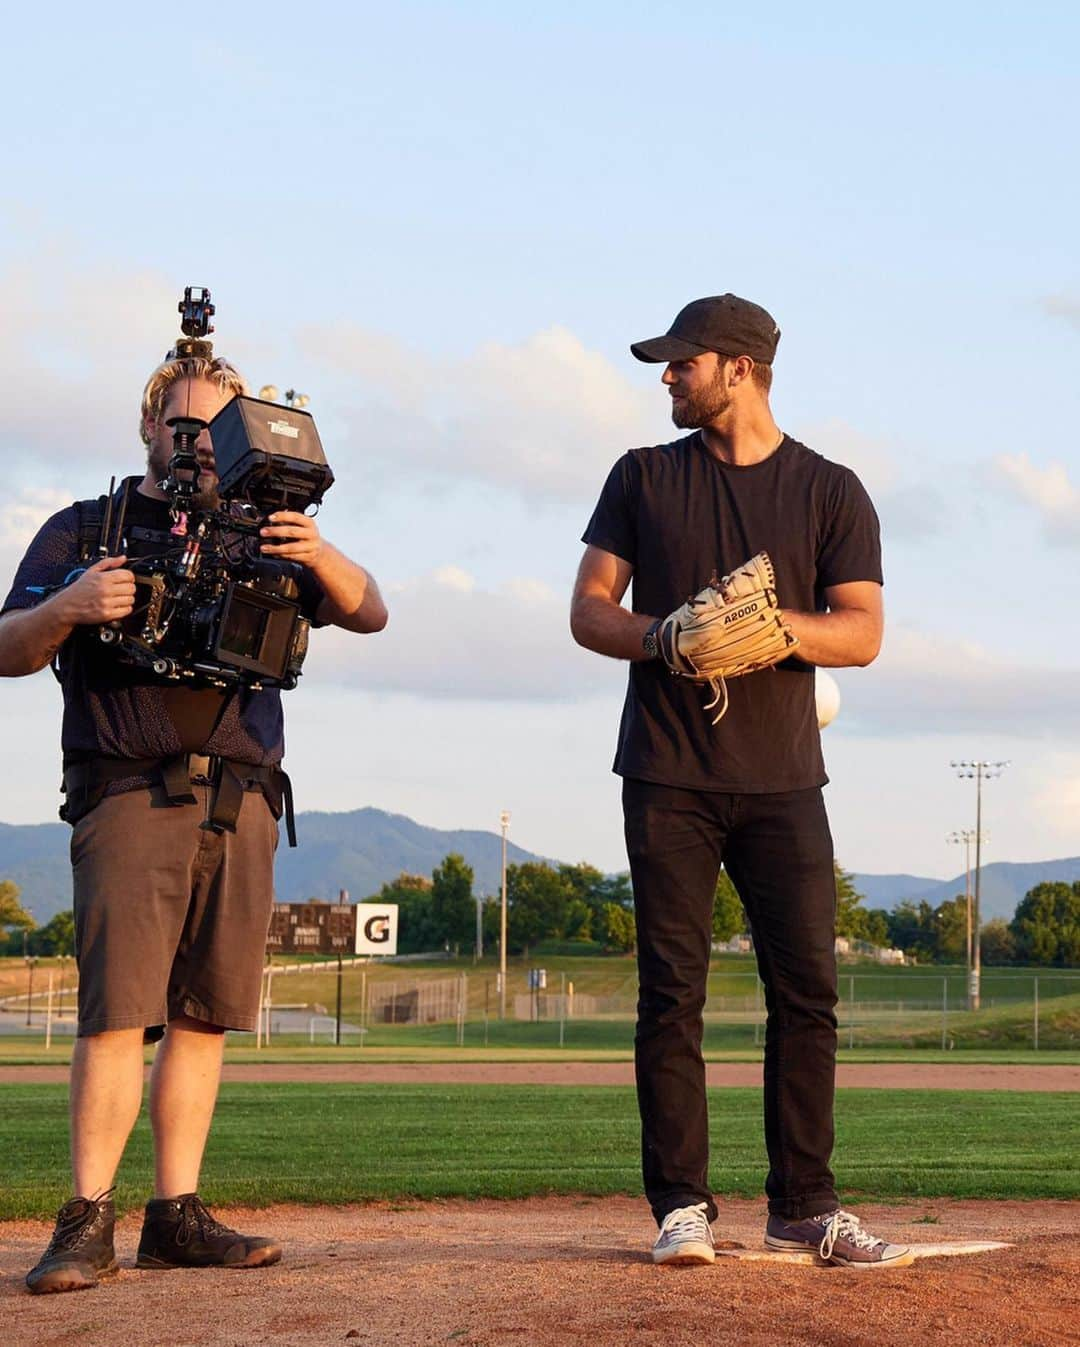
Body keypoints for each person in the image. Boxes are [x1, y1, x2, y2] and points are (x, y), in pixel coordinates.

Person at [1, 348, 387, 1294]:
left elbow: (371, 611)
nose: (198, 446)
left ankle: (175, 1212)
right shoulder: (86, 528)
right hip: (132, 786)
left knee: (203, 1016)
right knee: (116, 1013)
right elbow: (6, 646)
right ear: (147, 425)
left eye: (217, 431)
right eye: (182, 427)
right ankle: (87, 1218)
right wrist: (74, 602)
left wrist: (318, 551)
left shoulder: (269, 536)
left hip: (243, 794)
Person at [570, 293, 911, 1269]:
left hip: (784, 780)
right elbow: (590, 611)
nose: (667, 377)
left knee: (807, 993)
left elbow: (865, 632)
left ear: (740, 369)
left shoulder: (831, 491)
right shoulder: (642, 478)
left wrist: (777, 630)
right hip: (666, 771)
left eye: (683, 363)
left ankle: (805, 1206)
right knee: (669, 994)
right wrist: (667, 634)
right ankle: (682, 1207)